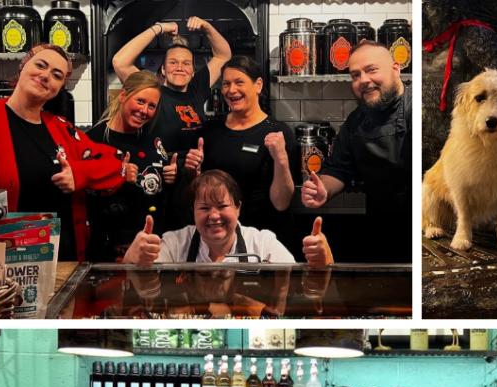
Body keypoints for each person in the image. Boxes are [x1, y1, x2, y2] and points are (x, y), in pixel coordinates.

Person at [0, 44, 128, 261]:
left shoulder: (61, 127)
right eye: (40, 65)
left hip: (62, 258)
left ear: (60, 87)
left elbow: (117, 161)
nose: (45, 76)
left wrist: (79, 173)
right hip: (1, 260)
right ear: (23, 66)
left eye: (56, 75)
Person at [301, 41, 411, 263]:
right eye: (355, 75)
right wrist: (322, 189)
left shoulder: (416, 109)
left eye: (372, 70)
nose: (364, 80)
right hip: (379, 230)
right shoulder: (356, 121)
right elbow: (339, 168)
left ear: (396, 69)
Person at [186, 56, 298, 247]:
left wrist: (281, 160)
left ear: (258, 85)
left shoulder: (278, 133)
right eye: (226, 84)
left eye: (239, 82)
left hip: (263, 239)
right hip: (218, 239)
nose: (232, 90)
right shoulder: (211, 131)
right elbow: (202, 194)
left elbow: (281, 203)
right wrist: (193, 173)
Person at [122, 169, 333, 267]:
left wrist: (324, 264)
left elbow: (298, 288)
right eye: (204, 208)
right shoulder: (173, 244)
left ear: (238, 208)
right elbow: (140, 289)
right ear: (193, 212)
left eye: (222, 206)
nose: (214, 216)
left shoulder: (263, 244)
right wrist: (131, 260)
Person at [84, 71, 178, 262]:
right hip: (111, 251)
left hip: (154, 244)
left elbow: (157, 191)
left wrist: (171, 177)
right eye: (140, 101)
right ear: (123, 95)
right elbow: (83, 193)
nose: (144, 111)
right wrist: (116, 177)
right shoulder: (93, 140)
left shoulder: (154, 139)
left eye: (152, 106)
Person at [112, 18, 231, 156]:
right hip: (158, 170)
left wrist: (207, 27)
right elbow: (120, 62)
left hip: (193, 170)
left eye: (186, 64)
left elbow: (223, 56)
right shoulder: (151, 91)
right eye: (173, 62)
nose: (179, 68)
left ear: (193, 71)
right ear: (163, 69)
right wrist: (158, 28)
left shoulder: (197, 88)